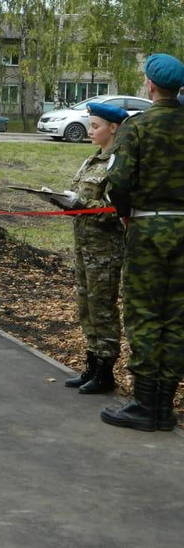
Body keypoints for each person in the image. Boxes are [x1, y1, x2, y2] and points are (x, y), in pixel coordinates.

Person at [102, 53, 184, 432]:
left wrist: (123, 211)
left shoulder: (137, 127)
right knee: (177, 317)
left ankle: (145, 404)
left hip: (149, 230)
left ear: (150, 85)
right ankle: (164, 405)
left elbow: (118, 181)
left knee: (145, 314)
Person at [57, 102, 128, 395]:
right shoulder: (92, 160)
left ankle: (105, 371)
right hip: (84, 247)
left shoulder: (118, 163)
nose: (90, 131)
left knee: (103, 309)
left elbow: (118, 208)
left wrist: (82, 206)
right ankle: (90, 364)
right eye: (90, 125)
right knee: (86, 307)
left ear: (113, 128)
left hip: (105, 250)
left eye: (95, 126)